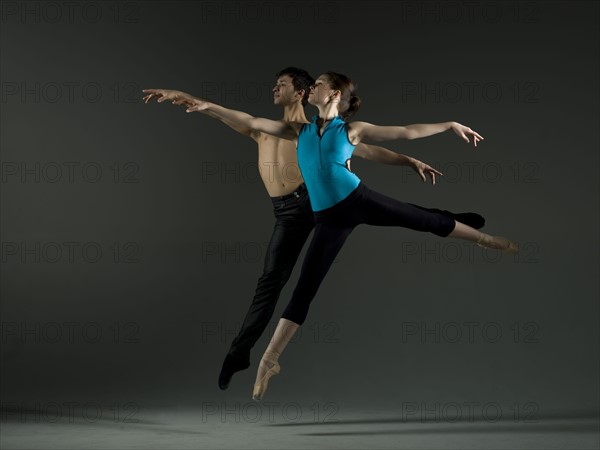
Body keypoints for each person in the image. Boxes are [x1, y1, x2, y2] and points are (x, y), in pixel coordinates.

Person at [147, 70, 505, 400]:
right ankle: (264, 358)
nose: (276, 88)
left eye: (288, 84)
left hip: (334, 200)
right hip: (318, 213)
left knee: (414, 218)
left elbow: (390, 136)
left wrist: (438, 134)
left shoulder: (338, 128)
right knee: (293, 285)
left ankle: (476, 235)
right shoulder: (290, 130)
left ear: (317, 93)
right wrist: (200, 102)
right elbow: (243, 118)